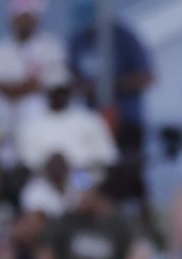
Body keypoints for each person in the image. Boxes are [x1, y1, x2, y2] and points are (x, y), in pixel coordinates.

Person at [67, 0, 154, 157]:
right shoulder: (77, 41)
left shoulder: (124, 38)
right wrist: (86, 88)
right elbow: (69, 78)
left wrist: (112, 86)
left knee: (127, 168)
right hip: (91, 122)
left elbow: (147, 77)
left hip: (127, 121)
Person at [0, 0, 66, 133]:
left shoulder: (51, 46)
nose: (23, 23)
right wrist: (26, 86)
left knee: (33, 105)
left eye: (27, 18)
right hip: (6, 109)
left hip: (39, 108)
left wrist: (20, 88)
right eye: (20, 18)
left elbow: (53, 84)